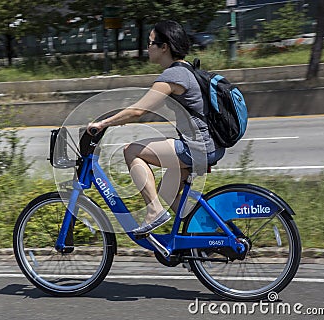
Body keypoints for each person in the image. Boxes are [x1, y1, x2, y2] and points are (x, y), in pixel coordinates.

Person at [87, 20, 225, 235]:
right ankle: (210, 238)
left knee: (131, 151)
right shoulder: (186, 70)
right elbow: (146, 108)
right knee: (168, 192)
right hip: (208, 145)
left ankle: (154, 211)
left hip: (197, 147)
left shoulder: (174, 76)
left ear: (164, 47)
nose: (147, 47)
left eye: (151, 43)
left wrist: (103, 123)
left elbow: (138, 111)